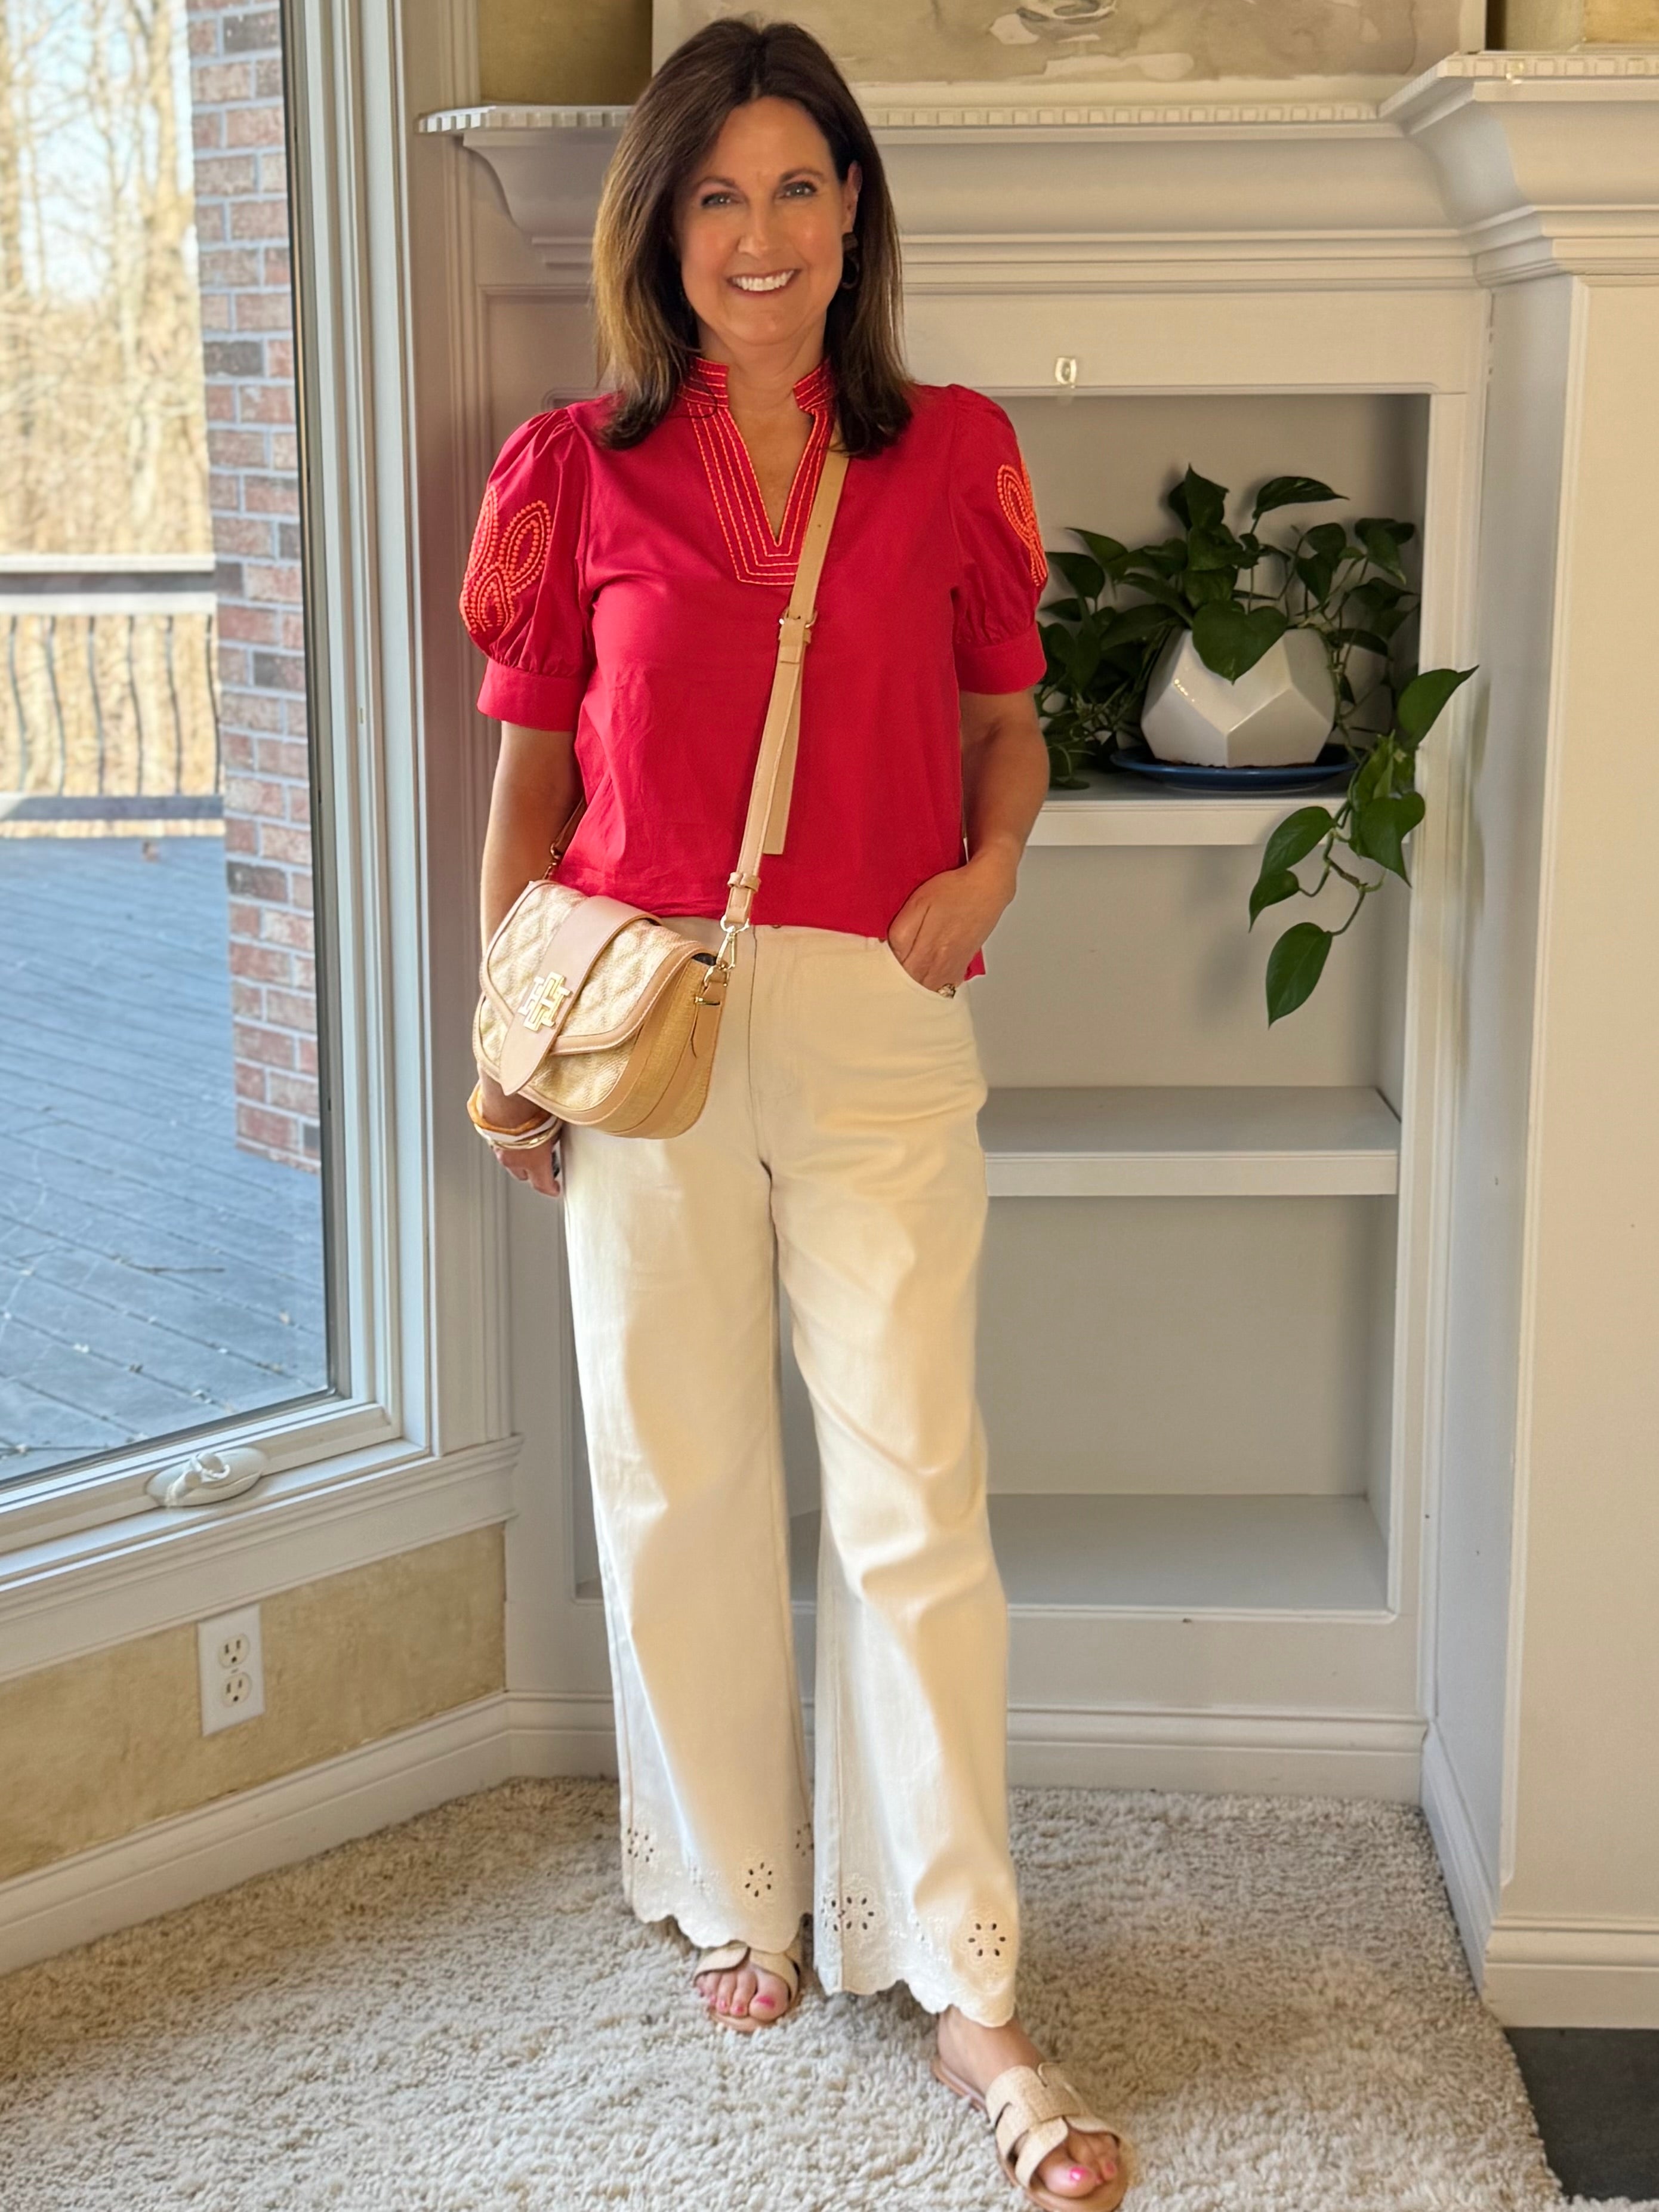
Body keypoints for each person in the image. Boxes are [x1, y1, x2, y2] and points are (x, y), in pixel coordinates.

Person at [461, 18, 1130, 2207]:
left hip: (873, 1011)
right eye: (717, 194)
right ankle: (742, 1890)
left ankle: (960, 1965)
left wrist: (983, 872)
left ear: (854, 217)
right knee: (677, 1475)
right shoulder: (579, 469)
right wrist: (506, 1027)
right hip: (644, 1009)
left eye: (799, 188)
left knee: (913, 1483)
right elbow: (537, 779)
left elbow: (1008, 726)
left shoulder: (948, 453)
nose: (760, 234)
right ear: (661, 226)